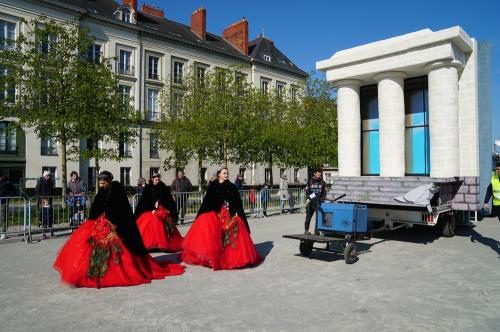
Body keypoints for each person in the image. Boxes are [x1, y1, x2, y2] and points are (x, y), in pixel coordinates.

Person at [53, 171, 185, 288]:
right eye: (100, 183)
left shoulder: (116, 190)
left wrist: (111, 221)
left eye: (103, 183)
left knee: (118, 255)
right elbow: (96, 208)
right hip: (100, 225)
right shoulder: (102, 191)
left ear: (109, 181)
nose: (101, 186)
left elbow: (120, 210)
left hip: (115, 227)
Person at [180, 167, 262, 270]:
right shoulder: (213, 186)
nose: (226, 175)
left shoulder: (231, 186)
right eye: (224, 173)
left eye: (227, 173)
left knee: (230, 236)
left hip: (228, 214)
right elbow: (208, 201)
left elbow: (236, 201)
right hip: (216, 215)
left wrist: (235, 211)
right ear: (219, 174)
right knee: (214, 236)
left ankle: (232, 258)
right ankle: (214, 258)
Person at [134, 173, 183, 252]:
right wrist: (152, 208)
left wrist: (160, 203)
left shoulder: (162, 187)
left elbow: (168, 199)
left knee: (164, 226)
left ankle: (164, 244)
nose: (157, 181)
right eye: (156, 180)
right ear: (152, 179)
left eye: (158, 180)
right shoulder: (148, 187)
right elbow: (144, 201)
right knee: (148, 226)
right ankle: (152, 245)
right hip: (150, 210)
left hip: (161, 210)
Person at [304, 169, 327, 234]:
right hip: (310, 202)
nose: (319, 176)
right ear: (314, 173)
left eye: (320, 174)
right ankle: (306, 230)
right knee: (308, 217)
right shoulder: (310, 181)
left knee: (318, 218)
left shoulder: (323, 182)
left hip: (318, 202)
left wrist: (322, 199)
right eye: (317, 174)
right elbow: (307, 191)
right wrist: (308, 198)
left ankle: (316, 231)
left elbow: (324, 192)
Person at [0, 175, 17, 240]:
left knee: (3, 218)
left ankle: (3, 233)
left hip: (3, 203)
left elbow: (14, 192)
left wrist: (7, 197)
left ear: (3, 176)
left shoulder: (8, 183)